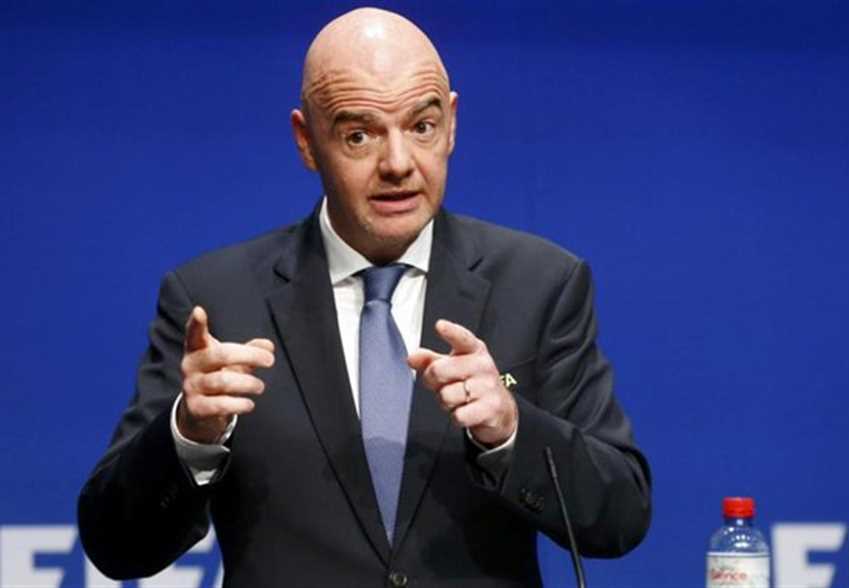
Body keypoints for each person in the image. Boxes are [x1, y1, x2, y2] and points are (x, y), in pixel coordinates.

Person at [78, 7, 651, 587]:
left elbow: (621, 516)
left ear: (452, 123)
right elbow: (116, 547)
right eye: (359, 135)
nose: (398, 164)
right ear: (307, 141)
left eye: (422, 127)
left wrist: (511, 430)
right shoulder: (216, 299)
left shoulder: (540, 283)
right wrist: (189, 436)